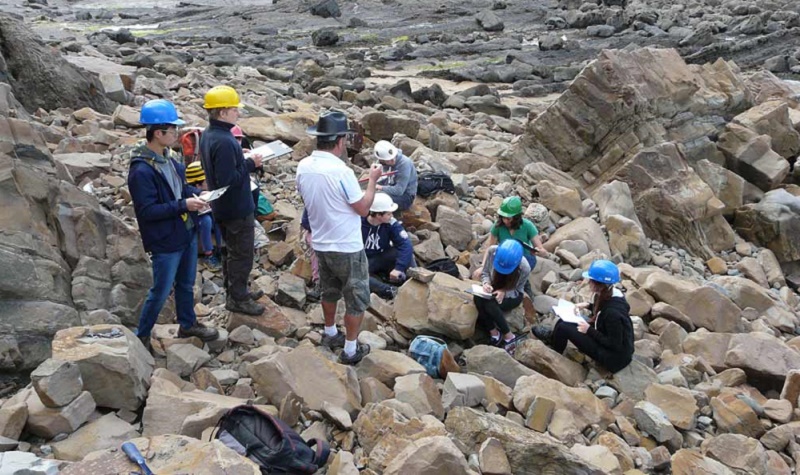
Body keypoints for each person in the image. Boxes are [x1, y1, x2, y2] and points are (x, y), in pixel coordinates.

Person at [128, 99, 219, 351]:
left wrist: (198, 194)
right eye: (172, 129)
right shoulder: (141, 171)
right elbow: (147, 211)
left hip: (185, 231)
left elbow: (181, 189)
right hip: (165, 240)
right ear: (158, 133)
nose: (177, 133)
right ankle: (141, 336)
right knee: (160, 290)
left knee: (186, 284)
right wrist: (184, 205)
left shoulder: (169, 159)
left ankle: (187, 324)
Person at [296, 110, 382, 365]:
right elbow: (363, 209)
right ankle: (351, 349)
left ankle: (330, 332)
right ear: (340, 141)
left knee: (329, 290)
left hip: (321, 241)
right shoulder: (341, 171)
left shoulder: (304, 166)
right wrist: (372, 181)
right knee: (356, 298)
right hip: (346, 245)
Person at [199, 85, 265, 316]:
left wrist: (240, 159)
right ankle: (238, 299)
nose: (238, 112)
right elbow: (228, 179)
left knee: (230, 251)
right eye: (235, 109)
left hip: (222, 206)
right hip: (236, 207)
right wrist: (250, 164)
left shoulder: (209, 134)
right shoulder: (225, 141)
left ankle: (236, 291)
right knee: (242, 254)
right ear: (223, 112)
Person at [532, 260, 634, 373]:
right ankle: (554, 337)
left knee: (563, 327)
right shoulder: (611, 294)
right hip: (605, 336)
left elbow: (614, 344)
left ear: (598, 285)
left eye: (590, 280)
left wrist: (588, 330)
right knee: (563, 321)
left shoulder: (612, 313)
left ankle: (555, 353)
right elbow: (603, 311)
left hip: (613, 358)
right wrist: (587, 305)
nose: (588, 282)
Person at [472, 196, 546, 284]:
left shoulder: (528, 226)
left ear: (516, 217)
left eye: (508, 218)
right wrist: (483, 267)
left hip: (524, 258)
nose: (505, 221)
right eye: (503, 217)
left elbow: (542, 250)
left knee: (515, 278)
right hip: (505, 255)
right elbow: (490, 248)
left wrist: (539, 251)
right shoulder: (498, 226)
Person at [475, 240, 531, 354]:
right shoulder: (492, 251)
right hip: (493, 286)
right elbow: (485, 273)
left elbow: (518, 289)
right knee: (478, 298)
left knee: (490, 304)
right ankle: (494, 333)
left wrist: (504, 292)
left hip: (513, 294)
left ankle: (509, 336)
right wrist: (486, 283)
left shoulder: (524, 267)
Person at [361, 193, 415, 300]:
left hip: (382, 255)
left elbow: (405, 244)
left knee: (406, 254)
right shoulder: (358, 223)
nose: (392, 216)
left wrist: (399, 268)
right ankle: (389, 290)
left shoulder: (391, 223)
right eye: (389, 214)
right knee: (357, 275)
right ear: (378, 215)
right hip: (364, 259)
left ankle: (413, 280)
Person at [185, 161, 222, 270]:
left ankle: (221, 248)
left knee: (218, 219)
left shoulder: (207, 191)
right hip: (197, 221)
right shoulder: (189, 194)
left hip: (211, 217)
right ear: (198, 185)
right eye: (206, 180)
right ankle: (208, 255)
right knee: (206, 221)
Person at [373, 140, 417, 212]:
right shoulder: (382, 163)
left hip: (406, 196)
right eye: (388, 160)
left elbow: (399, 190)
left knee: (376, 200)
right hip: (391, 185)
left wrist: (380, 187)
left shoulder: (404, 164)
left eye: (393, 158)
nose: (393, 161)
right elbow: (381, 178)